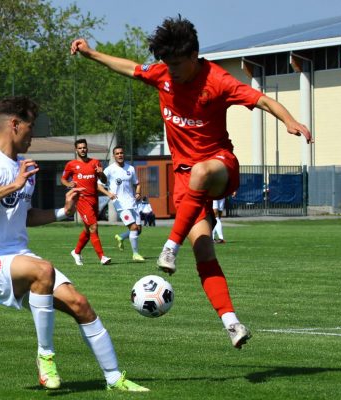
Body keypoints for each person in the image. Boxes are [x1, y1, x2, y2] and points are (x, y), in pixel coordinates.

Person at [71, 15, 312, 348]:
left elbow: (262, 100)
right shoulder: (162, 76)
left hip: (219, 167)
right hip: (186, 182)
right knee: (203, 250)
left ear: (195, 55)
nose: (171, 70)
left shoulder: (218, 80)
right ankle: (232, 323)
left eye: (177, 64)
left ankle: (170, 246)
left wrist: (290, 121)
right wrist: (91, 53)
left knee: (200, 172)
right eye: (166, 64)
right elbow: (127, 67)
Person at [0, 96, 148, 392]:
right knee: (43, 270)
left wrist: (63, 212)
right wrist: (13, 185)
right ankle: (45, 356)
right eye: (31, 128)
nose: (33, 137)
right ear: (14, 124)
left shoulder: (25, 167)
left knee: (80, 304)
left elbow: (24, 216)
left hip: (19, 257)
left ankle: (114, 378)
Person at [60, 139, 111, 266]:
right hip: (82, 199)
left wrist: (101, 173)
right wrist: (69, 184)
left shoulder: (95, 162)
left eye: (84, 147)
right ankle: (102, 257)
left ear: (87, 148)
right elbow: (63, 179)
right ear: (76, 150)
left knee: (88, 230)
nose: (82, 150)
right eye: (80, 148)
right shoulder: (71, 164)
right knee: (94, 226)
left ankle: (76, 252)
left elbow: (104, 180)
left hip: (94, 199)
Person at [101, 146, 145, 261]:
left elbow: (138, 183)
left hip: (132, 203)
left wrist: (138, 193)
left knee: (138, 230)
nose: (120, 155)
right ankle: (135, 254)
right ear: (114, 156)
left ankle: (121, 237)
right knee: (134, 227)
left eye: (121, 153)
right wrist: (108, 194)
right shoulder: (110, 170)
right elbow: (98, 185)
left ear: (124, 154)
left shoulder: (130, 168)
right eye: (117, 153)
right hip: (120, 204)